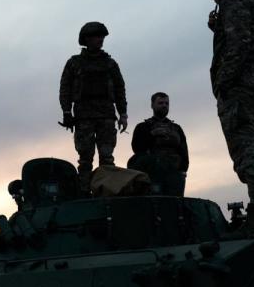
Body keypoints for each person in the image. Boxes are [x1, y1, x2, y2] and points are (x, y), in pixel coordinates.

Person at [207, 0, 254, 237]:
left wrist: (224, 80)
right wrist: (218, 28)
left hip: (239, 85)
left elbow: (239, 43)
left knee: (246, 149)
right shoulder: (249, 1)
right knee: (249, 143)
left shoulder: (233, 0)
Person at [59, 21, 128, 191]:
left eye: (101, 36)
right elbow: (65, 88)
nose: (100, 40)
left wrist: (123, 114)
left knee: (107, 159)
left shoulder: (110, 64)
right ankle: (84, 193)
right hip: (83, 116)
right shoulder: (74, 63)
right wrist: (67, 111)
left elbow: (120, 89)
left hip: (106, 115)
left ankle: (106, 192)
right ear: (86, 39)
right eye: (97, 36)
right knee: (85, 159)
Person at [130, 92, 189, 196]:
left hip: (174, 173)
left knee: (174, 204)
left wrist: (183, 170)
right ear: (152, 105)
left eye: (167, 103)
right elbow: (137, 149)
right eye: (160, 103)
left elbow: (183, 151)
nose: (164, 105)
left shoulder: (177, 128)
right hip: (151, 175)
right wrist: (152, 135)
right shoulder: (142, 127)